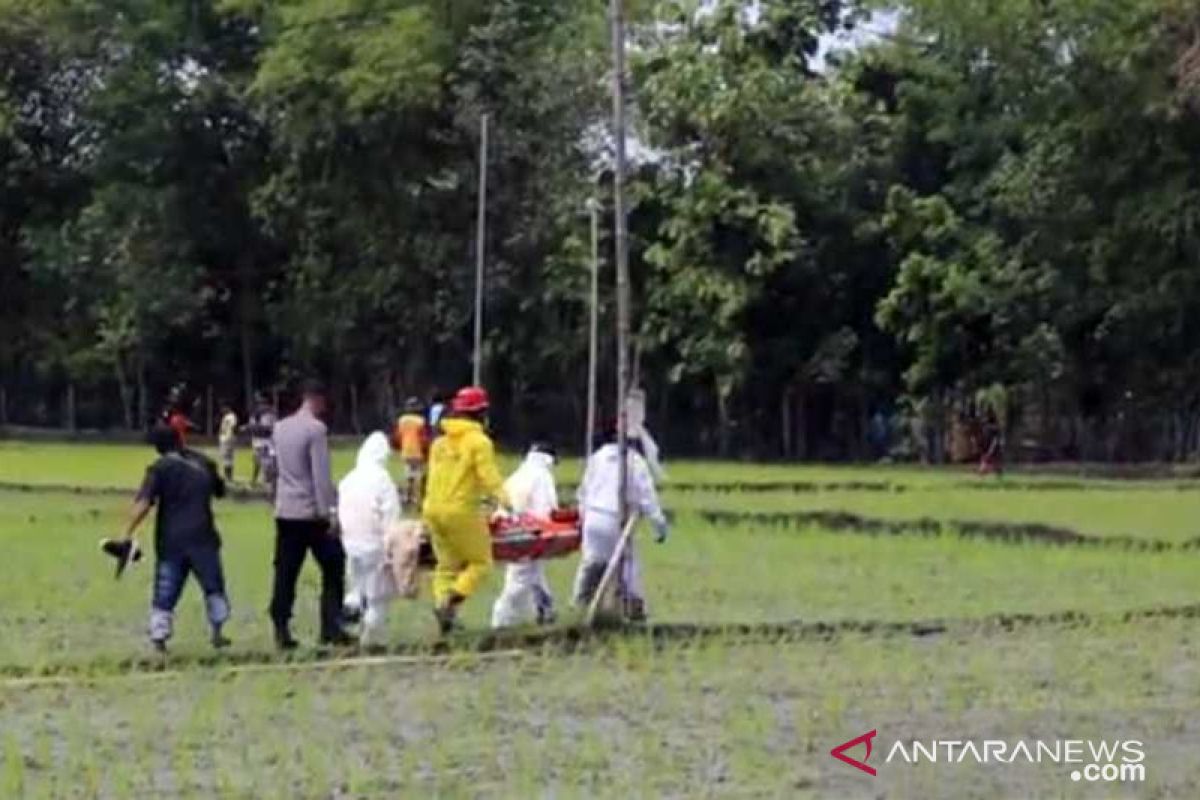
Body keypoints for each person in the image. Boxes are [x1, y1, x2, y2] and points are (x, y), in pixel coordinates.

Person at [108, 426, 231, 653]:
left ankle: (159, 638)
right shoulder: (204, 463)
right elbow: (221, 490)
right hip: (203, 536)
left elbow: (144, 503)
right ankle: (217, 632)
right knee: (213, 586)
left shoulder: (160, 468)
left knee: (166, 588)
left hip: (171, 539)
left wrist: (126, 534)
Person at [268, 380, 350, 649]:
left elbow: (272, 469)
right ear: (317, 400)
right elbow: (320, 475)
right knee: (334, 564)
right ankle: (331, 626)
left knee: (285, 571)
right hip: (310, 513)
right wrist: (329, 513)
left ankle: (281, 626)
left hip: (285, 510)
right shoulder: (316, 430)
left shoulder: (280, 428)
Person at [422, 386, 510, 635]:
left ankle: (444, 615)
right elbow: (488, 478)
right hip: (461, 511)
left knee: (446, 567)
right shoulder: (479, 442)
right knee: (481, 562)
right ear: (480, 413)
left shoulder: (439, 442)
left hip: (433, 509)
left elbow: (431, 477)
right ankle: (451, 601)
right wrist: (507, 502)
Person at [572, 425, 669, 622]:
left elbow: (583, 492)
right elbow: (647, 497)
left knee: (591, 563)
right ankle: (635, 609)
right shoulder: (634, 461)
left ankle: (579, 604)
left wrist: (583, 518)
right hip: (614, 519)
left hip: (593, 517)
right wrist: (660, 526)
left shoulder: (597, 457)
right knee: (628, 566)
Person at [338, 431, 403, 645]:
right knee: (378, 596)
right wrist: (392, 546)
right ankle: (371, 641)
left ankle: (349, 616)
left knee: (356, 588)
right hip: (374, 546)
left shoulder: (348, 479)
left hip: (350, 544)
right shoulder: (382, 480)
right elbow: (391, 515)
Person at [490, 442, 559, 629]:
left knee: (534, 574)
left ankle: (546, 610)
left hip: (508, 530)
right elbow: (547, 509)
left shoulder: (518, 475)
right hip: (528, 533)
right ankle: (500, 621)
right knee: (519, 579)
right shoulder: (542, 476)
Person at [395, 397, 428, 508]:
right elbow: (423, 439)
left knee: (409, 475)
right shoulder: (420, 421)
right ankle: (419, 501)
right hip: (418, 451)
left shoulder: (401, 420)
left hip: (406, 451)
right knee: (419, 475)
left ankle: (408, 497)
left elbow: (398, 437)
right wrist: (426, 451)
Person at [245, 393, 278, 489]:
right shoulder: (272, 411)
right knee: (268, 460)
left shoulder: (257, 412)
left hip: (260, 439)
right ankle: (266, 481)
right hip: (269, 439)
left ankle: (265, 481)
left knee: (261, 461)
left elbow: (253, 426)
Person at [217, 401, 238, 482]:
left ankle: (228, 477)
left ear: (227, 407)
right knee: (227, 458)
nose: (222, 410)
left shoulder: (231, 416)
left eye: (223, 408)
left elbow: (234, 426)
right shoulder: (227, 416)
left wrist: (231, 436)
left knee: (227, 458)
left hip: (227, 438)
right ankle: (228, 477)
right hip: (226, 438)